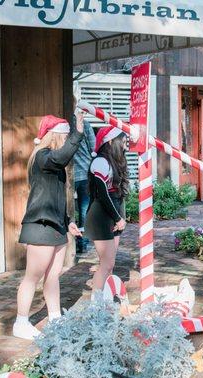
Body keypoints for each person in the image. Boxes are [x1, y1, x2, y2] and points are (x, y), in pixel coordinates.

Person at [14, 113, 85, 340]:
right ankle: (21, 322)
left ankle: (55, 318)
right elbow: (62, 156)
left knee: (53, 276)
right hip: (40, 227)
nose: (66, 141)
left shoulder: (54, 165)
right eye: (64, 136)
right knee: (31, 278)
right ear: (54, 136)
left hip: (56, 227)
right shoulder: (43, 158)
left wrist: (69, 222)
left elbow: (53, 198)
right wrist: (79, 132)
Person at [86, 126, 130, 298]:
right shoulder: (100, 162)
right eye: (123, 142)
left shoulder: (113, 161)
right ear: (110, 141)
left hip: (112, 213)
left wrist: (118, 217)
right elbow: (102, 195)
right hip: (101, 215)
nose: (125, 146)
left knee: (109, 264)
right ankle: (96, 305)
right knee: (106, 264)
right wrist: (118, 218)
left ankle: (106, 298)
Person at [72, 106, 96, 253]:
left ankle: (69, 242)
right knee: (84, 209)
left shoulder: (64, 125)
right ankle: (82, 243)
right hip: (85, 172)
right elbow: (94, 148)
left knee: (67, 210)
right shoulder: (85, 125)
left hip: (69, 175)